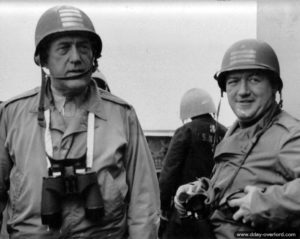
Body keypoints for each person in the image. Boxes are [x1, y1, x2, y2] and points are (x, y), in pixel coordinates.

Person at [0, 5, 160, 239]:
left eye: (83, 47)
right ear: (43, 58)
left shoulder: (122, 115)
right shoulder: (12, 115)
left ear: (94, 57)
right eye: (64, 48)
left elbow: (143, 204)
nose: (76, 58)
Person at [174, 39, 300, 239]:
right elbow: (232, 185)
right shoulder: (235, 132)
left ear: (274, 85)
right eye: (233, 81)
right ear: (225, 90)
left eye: (254, 79)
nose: (242, 91)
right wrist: (200, 190)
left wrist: (265, 204)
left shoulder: (288, 134)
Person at [158, 88, 226, 239]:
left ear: (187, 110)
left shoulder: (185, 131)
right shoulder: (225, 132)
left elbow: (169, 172)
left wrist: (162, 206)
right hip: (216, 210)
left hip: (186, 209)